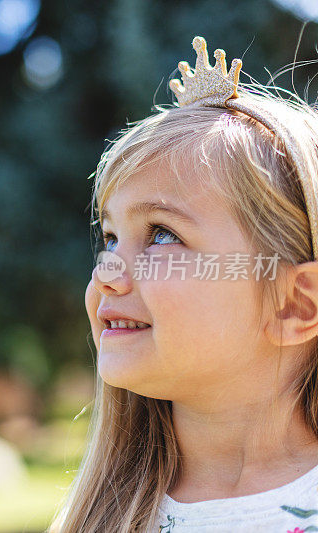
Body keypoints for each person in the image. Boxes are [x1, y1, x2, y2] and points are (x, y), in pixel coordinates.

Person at [50, 36, 318, 532]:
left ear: (294, 305)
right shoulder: (102, 517)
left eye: (162, 234)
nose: (105, 273)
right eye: (110, 237)